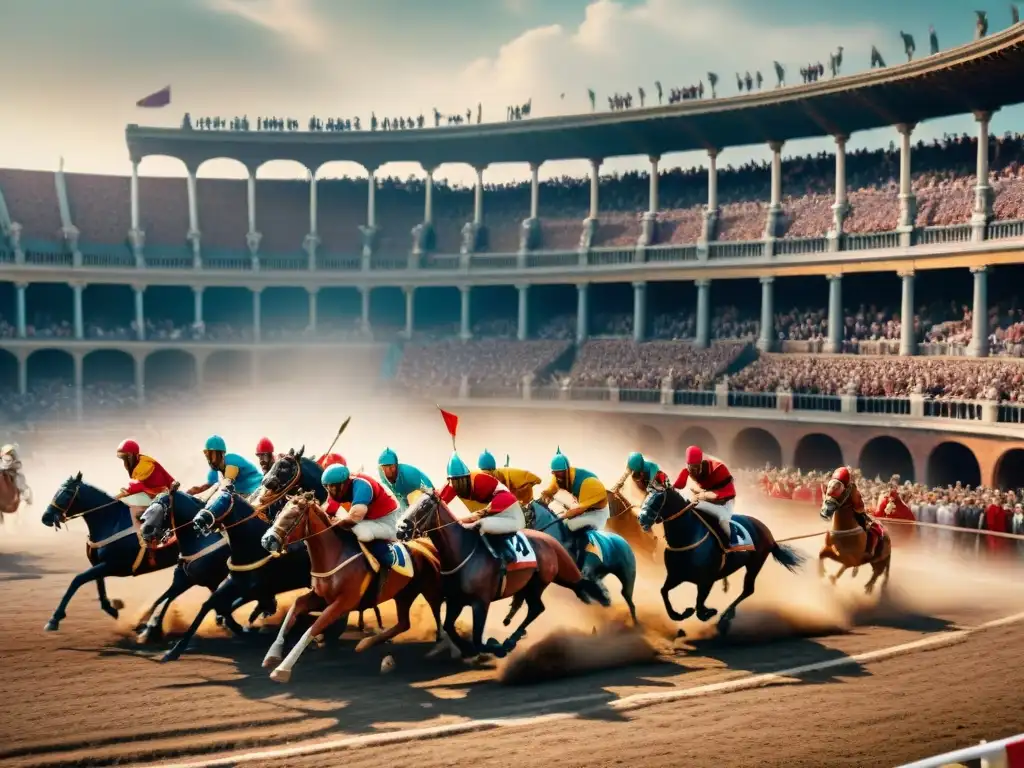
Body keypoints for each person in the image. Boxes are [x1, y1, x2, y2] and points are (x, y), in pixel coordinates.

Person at [321, 462, 400, 601]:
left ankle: (388, 562)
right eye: (327, 487)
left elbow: (355, 516)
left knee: (362, 533)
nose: (330, 490)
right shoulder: (338, 486)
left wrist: (333, 524)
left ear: (342, 484)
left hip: (387, 521)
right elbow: (327, 508)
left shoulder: (362, 486)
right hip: (369, 519)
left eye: (333, 486)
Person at [439, 451, 524, 571]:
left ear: (467, 477)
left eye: (460, 481)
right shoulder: (453, 485)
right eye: (454, 482)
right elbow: (438, 501)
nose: (457, 485)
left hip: (507, 510)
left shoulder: (482, 481)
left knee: (482, 525)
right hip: (488, 508)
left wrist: (455, 521)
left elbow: (477, 516)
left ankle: (507, 552)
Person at [538, 449, 609, 566]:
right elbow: (551, 489)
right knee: (563, 523)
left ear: (566, 470)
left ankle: (580, 562)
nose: (556, 476)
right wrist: (545, 494)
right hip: (583, 508)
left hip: (597, 513)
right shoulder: (560, 476)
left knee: (571, 524)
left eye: (558, 473)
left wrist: (566, 515)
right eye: (554, 473)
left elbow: (578, 510)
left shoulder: (589, 482)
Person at [673, 445, 737, 546]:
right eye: (690, 468)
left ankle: (731, 545)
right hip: (704, 497)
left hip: (725, 500)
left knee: (723, 519)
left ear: (701, 464)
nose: (693, 472)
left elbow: (724, 495)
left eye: (696, 468)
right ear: (687, 464)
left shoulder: (718, 469)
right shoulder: (687, 470)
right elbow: (676, 487)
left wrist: (703, 495)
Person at [822, 466, 884, 559]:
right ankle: (867, 550)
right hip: (851, 513)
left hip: (836, 512)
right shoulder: (852, 488)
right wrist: (863, 511)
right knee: (871, 527)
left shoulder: (836, 485)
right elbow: (858, 504)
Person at [114, 439, 176, 520]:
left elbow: (137, 486)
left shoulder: (144, 464)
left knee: (131, 503)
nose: (125, 463)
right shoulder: (138, 462)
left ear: (131, 456)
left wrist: (117, 497)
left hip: (164, 494)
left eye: (125, 459)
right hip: (152, 493)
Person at [187, 435, 263, 497]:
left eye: (210, 453)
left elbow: (225, 486)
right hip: (243, 496)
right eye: (206, 453)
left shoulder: (232, 461)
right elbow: (209, 488)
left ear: (222, 454)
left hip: (259, 490)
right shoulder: (213, 473)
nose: (208, 457)